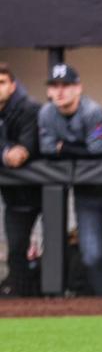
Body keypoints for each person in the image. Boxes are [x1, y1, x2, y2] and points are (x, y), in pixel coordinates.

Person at [36, 64, 102, 295]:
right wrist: (79, 148)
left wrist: (65, 147)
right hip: (85, 193)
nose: (60, 91)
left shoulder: (93, 112)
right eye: (55, 86)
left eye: (66, 85)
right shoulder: (46, 113)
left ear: (78, 88)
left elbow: (98, 152)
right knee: (91, 255)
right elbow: (48, 151)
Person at [0, 65, 44, 297]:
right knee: (16, 250)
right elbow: (11, 156)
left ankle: (54, 298)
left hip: (46, 193)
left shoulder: (29, 108)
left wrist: (9, 155)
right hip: (15, 198)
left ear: (12, 85)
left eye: (2, 83)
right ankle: (21, 302)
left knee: (55, 250)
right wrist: (6, 153)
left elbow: (22, 155)